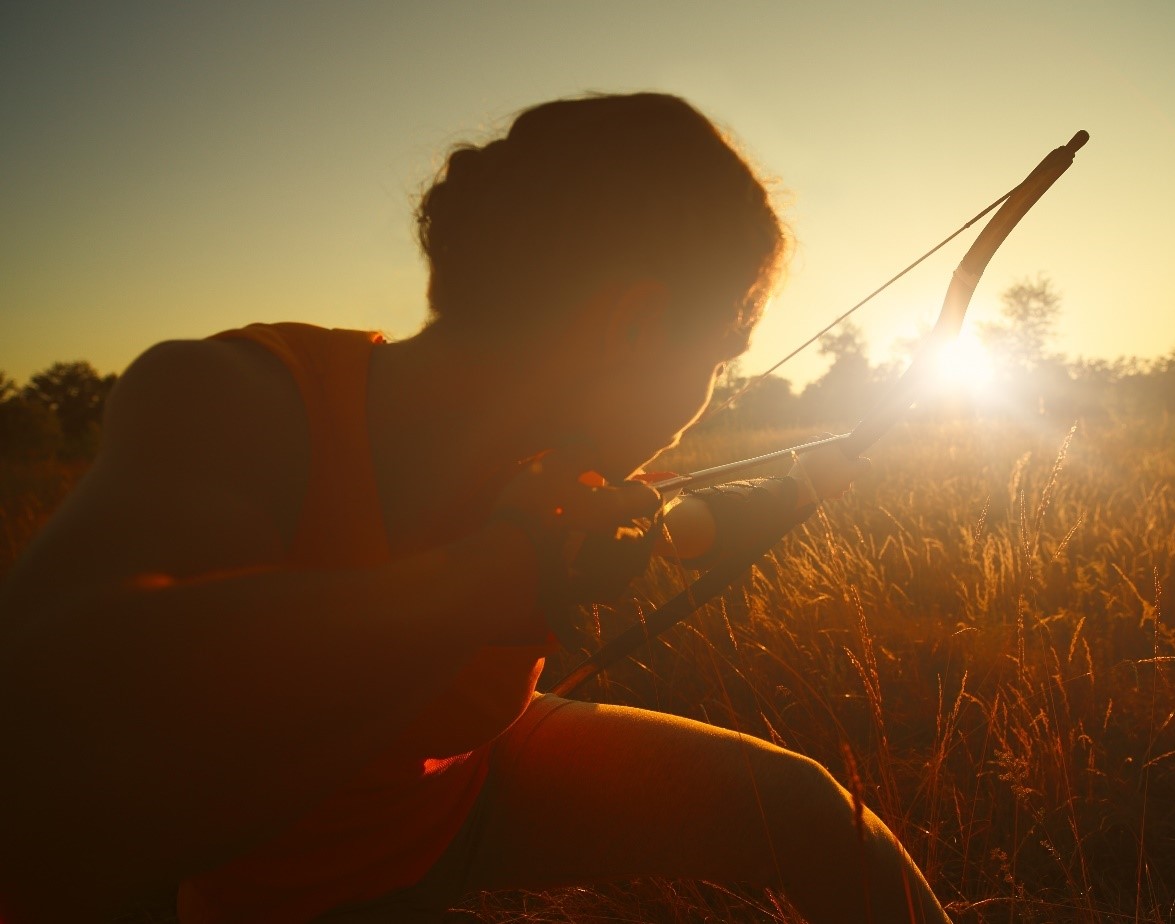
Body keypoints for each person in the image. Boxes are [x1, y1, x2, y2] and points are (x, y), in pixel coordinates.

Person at [0, 93, 952, 924]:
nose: (703, 397)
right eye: (716, 361)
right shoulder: (233, 395)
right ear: (634, 325)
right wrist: (494, 572)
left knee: (815, 822)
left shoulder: (550, 469)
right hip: (301, 896)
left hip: (473, 780)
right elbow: (54, 693)